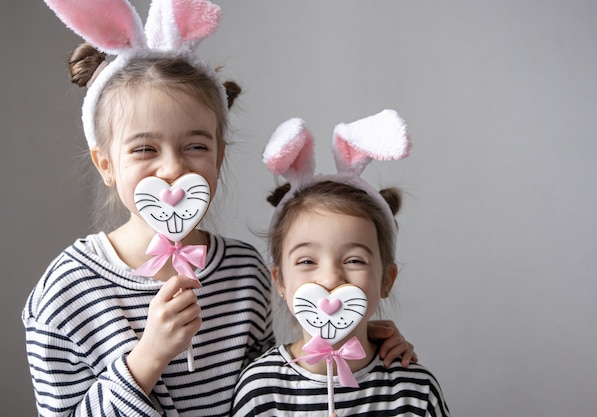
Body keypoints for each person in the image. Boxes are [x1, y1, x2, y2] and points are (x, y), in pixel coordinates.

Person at [22, 1, 416, 416]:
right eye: (144, 149)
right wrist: (148, 357)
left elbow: (273, 387)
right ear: (106, 164)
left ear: (219, 156)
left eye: (195, 146)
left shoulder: (245, 273)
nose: (173, 167)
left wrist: (361, 341)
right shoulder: (64, 293)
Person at [230, 112, 450, 416]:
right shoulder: (260, 388)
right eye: (307, 260)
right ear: (280, 281)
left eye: (354, 260)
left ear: (387, 279)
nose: (331, 278)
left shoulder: (414, 391)